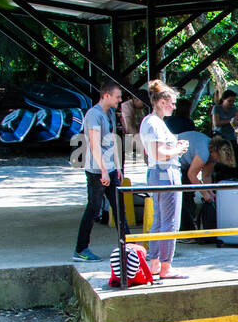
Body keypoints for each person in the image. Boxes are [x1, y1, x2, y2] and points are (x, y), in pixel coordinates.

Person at [139, 80, 191, 280]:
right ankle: (166, 267)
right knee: (169, 221)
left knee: (159, 220)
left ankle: (155, 263)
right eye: (171, 102)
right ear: (161, 102)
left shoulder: (149, 122)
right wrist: (179, 149)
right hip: (166, 172)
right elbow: (159, 153)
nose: (174, 106)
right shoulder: (155, 123)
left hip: (156, 173)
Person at [74, 80, 128, 262]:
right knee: (94, 209)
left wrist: (118, 167)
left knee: (119, 207)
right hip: (97, 170)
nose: (120, 100)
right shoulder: (93, 115)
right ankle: (81, 249)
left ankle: (129, 247)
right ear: (106, 95)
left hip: (110, 169)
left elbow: (113, 141)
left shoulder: (110, 113)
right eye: (117, 97)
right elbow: (94, 144)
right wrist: (104, 171)